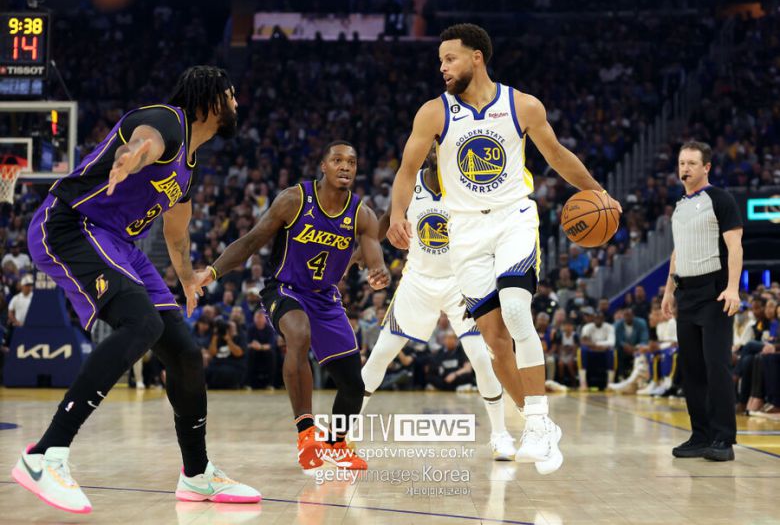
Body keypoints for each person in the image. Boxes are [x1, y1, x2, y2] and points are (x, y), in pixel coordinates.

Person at [15, 66, 260, 514]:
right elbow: (145, 140)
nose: (237, 103)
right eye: (230, 95)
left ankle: (196, 474)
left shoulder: (188, 168)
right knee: (142, 323)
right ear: (209, 100)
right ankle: (44, 455)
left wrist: (187, 277)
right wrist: (132, 156)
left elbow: (176, 232)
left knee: (184, 353)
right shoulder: (167, 120)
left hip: (121, 245)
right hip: (72, 225)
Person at [386, 23, 622, 474]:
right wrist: (398, 215)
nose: (442, 68)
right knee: (495, 343)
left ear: (476, 57)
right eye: (440, 61)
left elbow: (557, 155)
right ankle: (540, 425)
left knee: (516, 310)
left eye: (450, 59)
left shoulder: (522, 105)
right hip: (463, 230)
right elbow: (407, 169)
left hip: (513, 218)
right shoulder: (433, 113)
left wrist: (598, 191)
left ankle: (537, 422)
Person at [195, 141, 390, 473]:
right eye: (337, 160)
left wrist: (379, 271)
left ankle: (336, 445)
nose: (345, 166)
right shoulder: (294, 200)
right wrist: (212, 272)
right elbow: (252, 240)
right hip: (285, 289)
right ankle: (306, 433)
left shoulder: (362, 214)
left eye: (352, 162)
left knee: (353, 385)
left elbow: (374, 255)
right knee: (298, 335)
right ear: (323, 166)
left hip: (325, 298)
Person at [357, 148, 516, 460]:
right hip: (418, 279)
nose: (434, 149)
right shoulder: (409, 182)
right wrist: (359, 257)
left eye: (440, 143)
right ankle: (344, 432)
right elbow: (387, 221)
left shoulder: (471, 186)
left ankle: (500, 435)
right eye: (430, 144)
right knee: (380, 355)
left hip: (461, 281)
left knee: (482, 359)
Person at [662, 141, 743, 462]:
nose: (685, 168)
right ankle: (701, 435)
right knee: (691, 369)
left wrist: (733, 288)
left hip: (715, 293)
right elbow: (678, 251)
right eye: (682, 163)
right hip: (686, 294)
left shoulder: (720, 199)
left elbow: (735, 246)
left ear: (706, 167)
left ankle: (723, 438)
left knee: (716, 366)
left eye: (692, 163)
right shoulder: (680, 205)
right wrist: (668, 291)